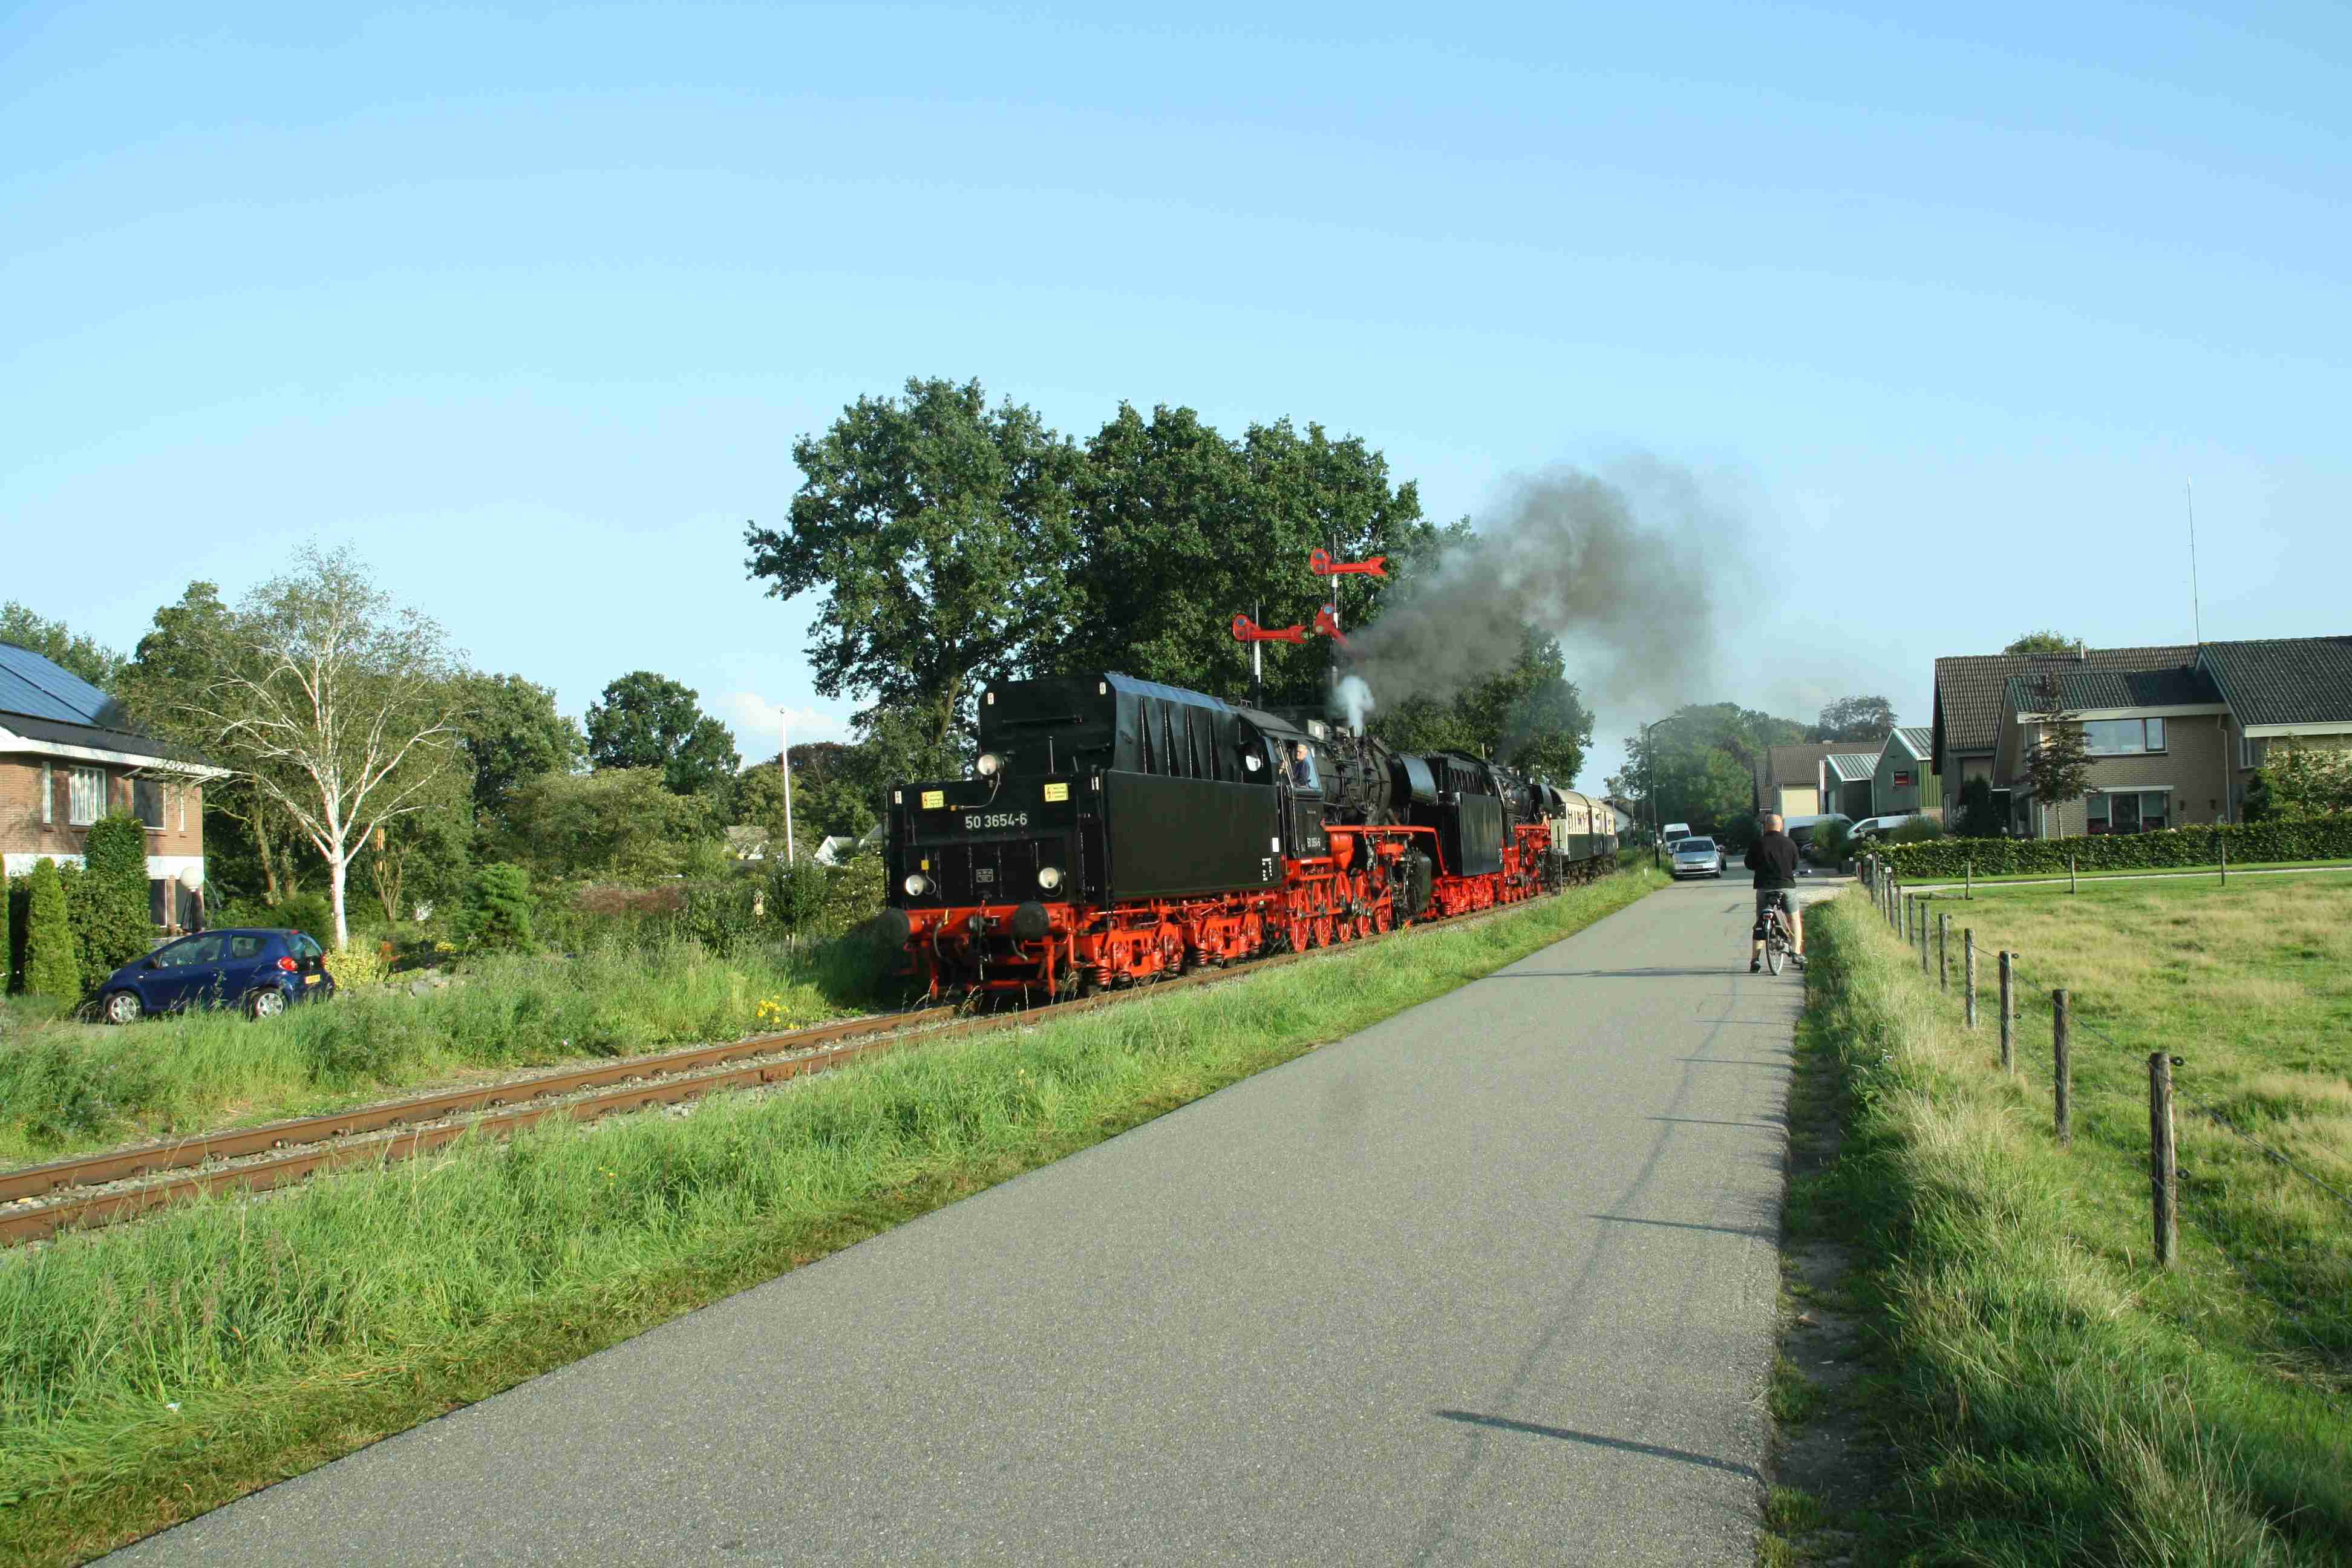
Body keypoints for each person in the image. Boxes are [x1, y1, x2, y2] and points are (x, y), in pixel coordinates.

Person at [1746, 812, 1804, 972]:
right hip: (1786, 886)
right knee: (1794, 919)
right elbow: (1794, 865)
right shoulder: (1790, 843)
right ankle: (1797, 952)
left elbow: (1749, 864)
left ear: (1765, 827)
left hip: (1764, 887)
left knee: (1760, 923)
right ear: (1781, 826)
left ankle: (1755, 960)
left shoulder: (1758, 843)